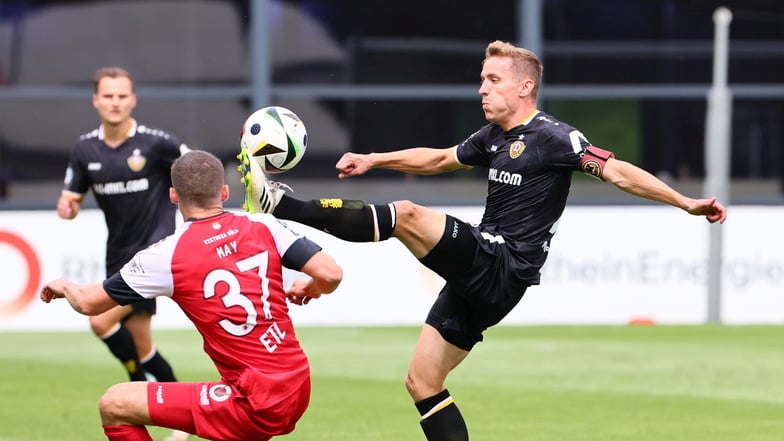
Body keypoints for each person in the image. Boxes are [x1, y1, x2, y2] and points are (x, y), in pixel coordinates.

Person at [237, 40, 728, 441]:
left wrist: (684, 202)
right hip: (482, 277)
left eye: (492, 80)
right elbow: (436, 159)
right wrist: (373, 158)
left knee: (407, 215)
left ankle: (281, 205)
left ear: (525, 85)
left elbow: (617, 170)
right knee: (423, 383)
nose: (482, 90)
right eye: (482, 79)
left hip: (503, 262)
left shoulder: (554, 137)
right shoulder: (492, 135)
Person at [42, 150, 343, 441]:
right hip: (297, 381)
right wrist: (311, 287)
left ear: (173, 195)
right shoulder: (262, 224)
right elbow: (331, 274)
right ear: (224, 192)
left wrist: (65, 286)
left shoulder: (165, 256)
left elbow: (88, 303)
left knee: (115, 403)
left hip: (255, 400)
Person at [57, 67, 190, 441]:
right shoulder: (85, 149)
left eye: (122, 96)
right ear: (96, 100)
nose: (115, 102)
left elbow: (198, 170)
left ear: (132, 100)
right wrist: (67, 208)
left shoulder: (157, 143)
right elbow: (70, 198)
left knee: (99, 320)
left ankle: (138, 398)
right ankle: (175, 418)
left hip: (155, 255)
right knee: (142, 346)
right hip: (118, 256)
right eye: (108, 96)